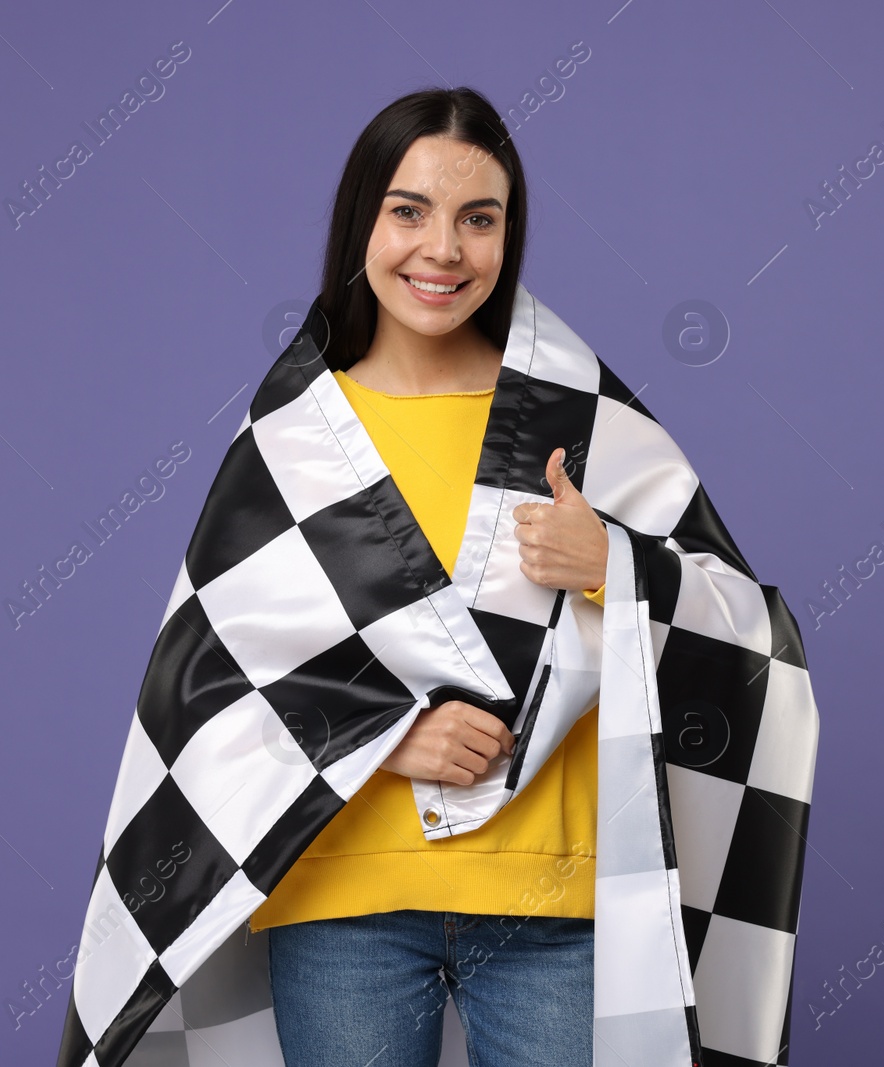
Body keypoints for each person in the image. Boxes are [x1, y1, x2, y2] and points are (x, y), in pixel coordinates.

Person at [247, 87, 603, 1067]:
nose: (442, 249)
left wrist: (617, 564)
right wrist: (386, 730)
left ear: (507, 236)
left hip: (553, 900)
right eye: (408, 210)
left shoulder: (579, 414)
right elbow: (210, 674)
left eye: (477, 218)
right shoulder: (295, 433)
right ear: (362, 219)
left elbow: (745, 635)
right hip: (342, 900)